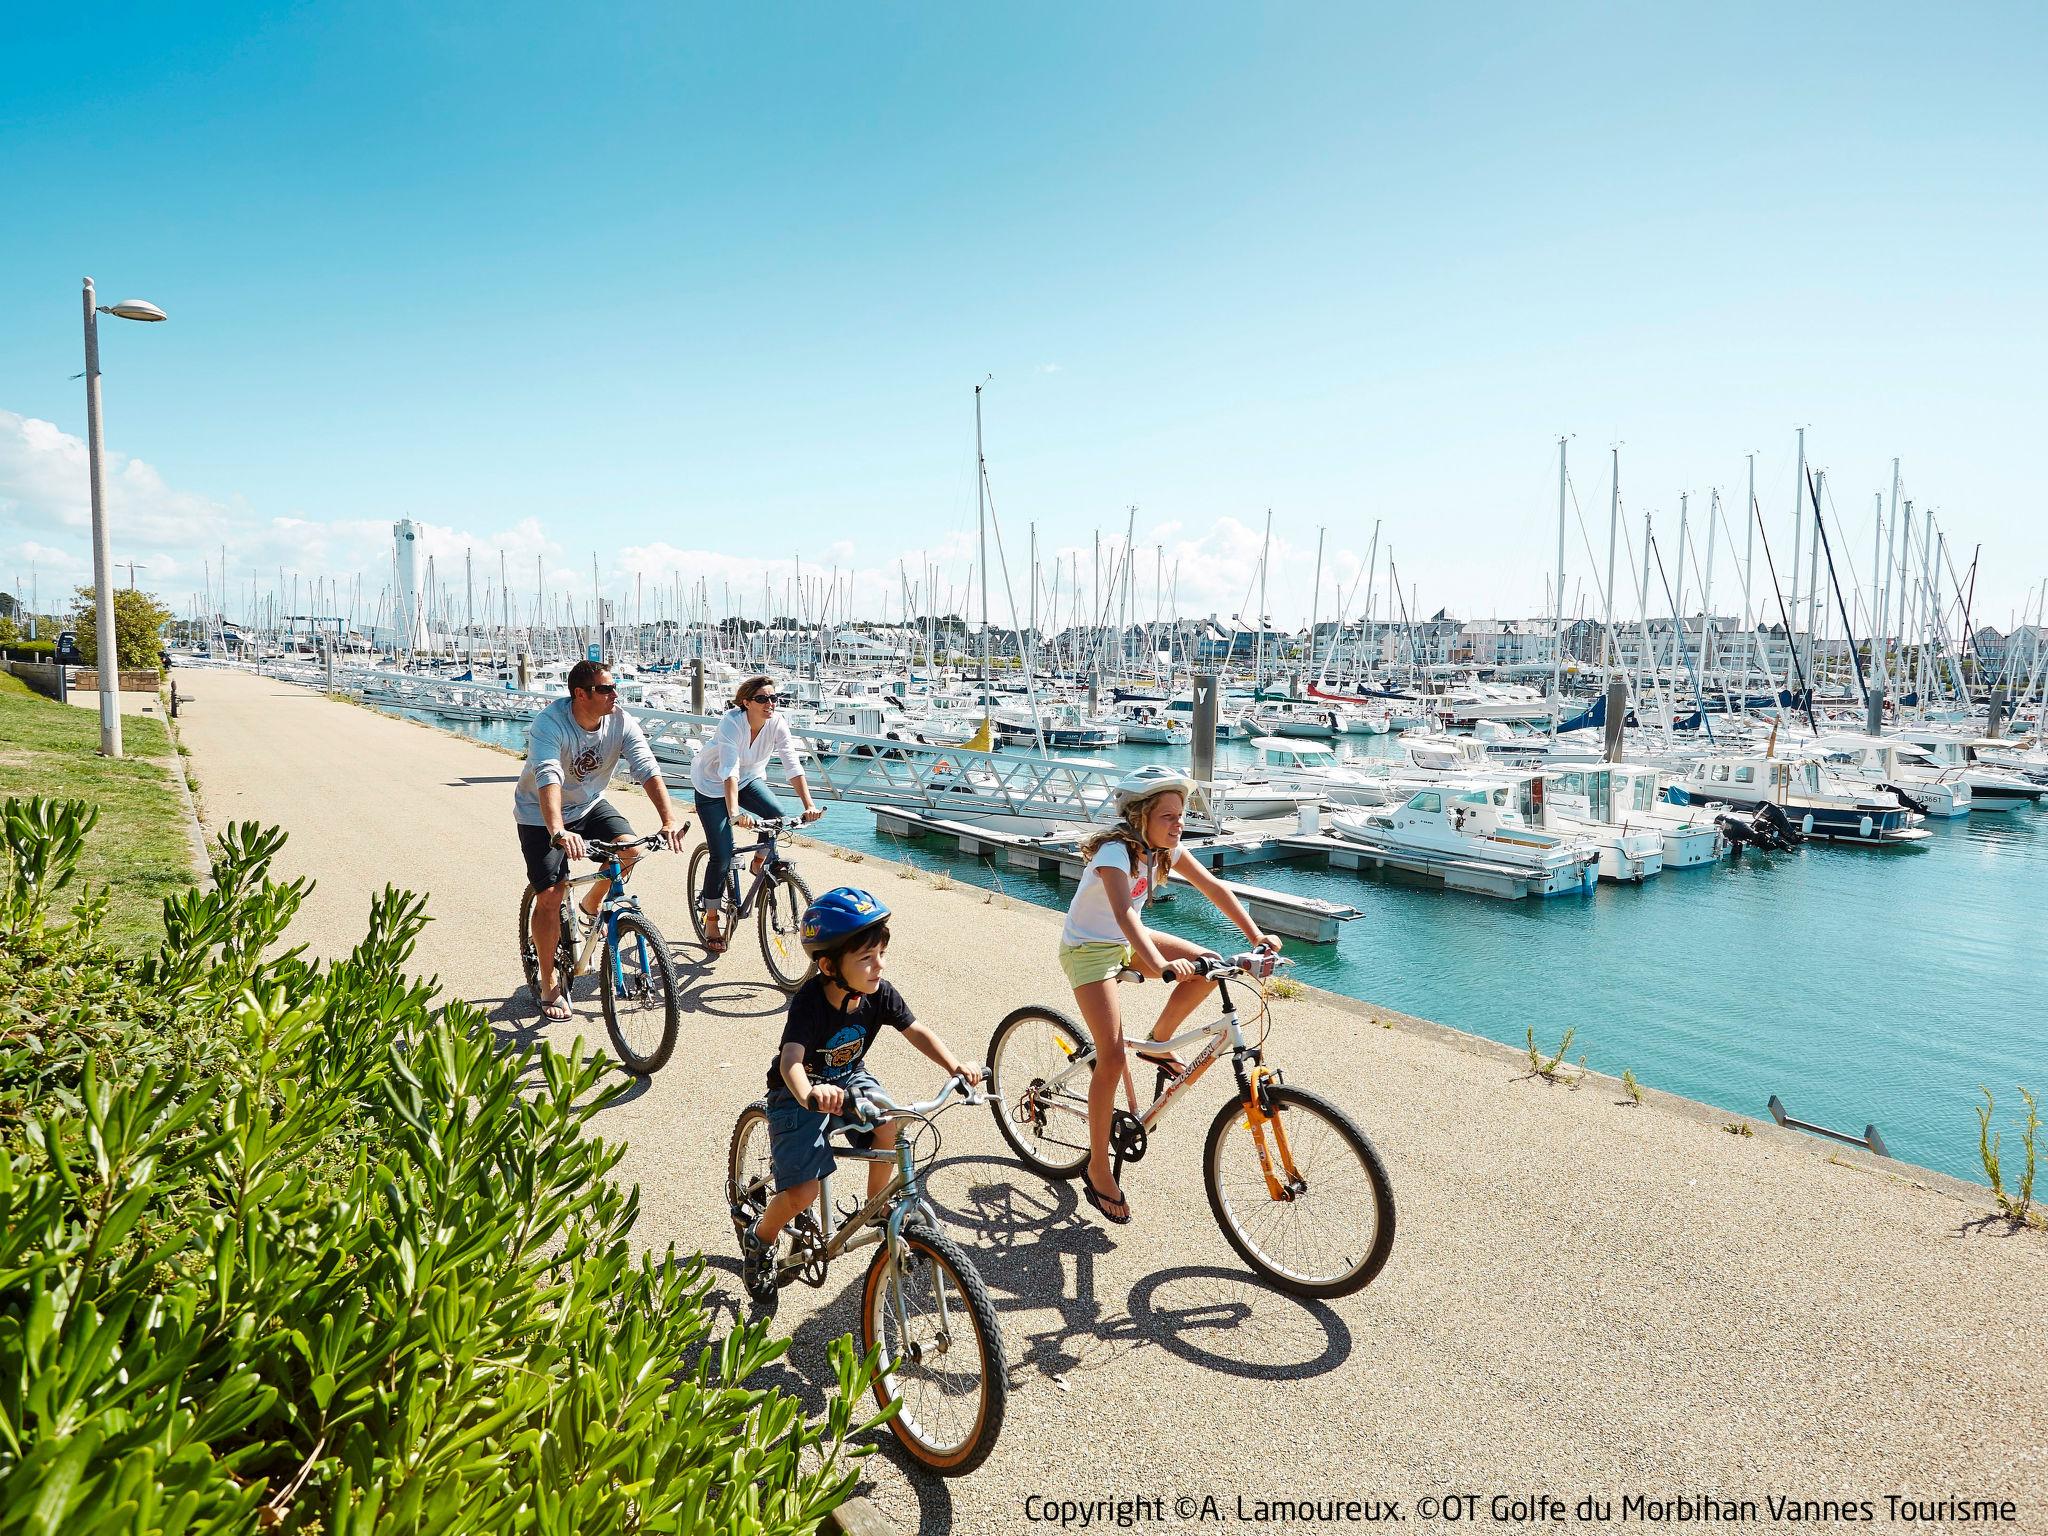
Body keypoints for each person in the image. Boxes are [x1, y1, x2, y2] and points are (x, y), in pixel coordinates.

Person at [1059, 765, 1281, 1224]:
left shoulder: (1165, 851)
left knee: (1207, 966)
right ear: (1141, 817)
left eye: (1181, 815)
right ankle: (1098, 1167)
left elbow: (1215, 887)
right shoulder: (1114, 854)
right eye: (1169, 816)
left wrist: (1258, 936)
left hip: (1124, 943)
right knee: (1111, 1058)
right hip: (1088, 951)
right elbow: (1124, 913)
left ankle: (1158, 1043)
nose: (1178, 824)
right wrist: (1160, 965)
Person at [736, 887, 982, 1299]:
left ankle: (875, 1207)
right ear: (830, 965)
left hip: (850, 1078)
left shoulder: (878, 993)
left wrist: (955, 1065)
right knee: (801, 1193)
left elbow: (915, 1030)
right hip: (799, 1095)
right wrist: (810, 1095)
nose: (878, 966)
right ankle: (760, 1240)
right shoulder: (810, 1003)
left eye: (881, 954)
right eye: (866, 959)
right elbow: (790, 1061)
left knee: (891, 1123)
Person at [514, 658, 688, 1020]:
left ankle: (592, 906)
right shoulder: (550, 724)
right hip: (540, 813)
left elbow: (646, 767)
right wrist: (558, 831)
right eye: (605, 689)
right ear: (580, 694)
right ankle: (548, 982)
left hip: (590, 805)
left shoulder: (620, 720)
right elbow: (549, 776)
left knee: (630, 850)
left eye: (615, 687)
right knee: (550, 894)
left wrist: (668, 819)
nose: (614, 695)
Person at [690, 674, 822, 954]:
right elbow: (729, 769)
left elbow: (792, 764)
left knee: (777, 814)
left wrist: (808, 805)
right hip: (712, 785)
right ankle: (712, 918)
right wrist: (735, 813)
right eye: (762, 698)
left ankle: (760, 859)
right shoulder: (731, 722)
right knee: (722, 854)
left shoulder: (777, 724)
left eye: (774, 698)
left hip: (749, 780)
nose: (770, 703)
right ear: (746, 702)